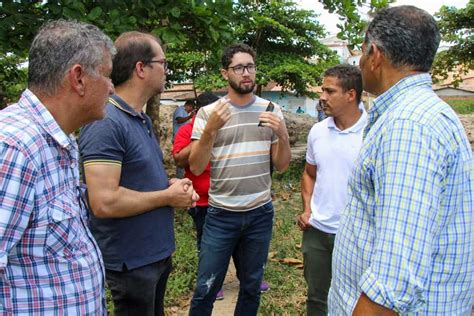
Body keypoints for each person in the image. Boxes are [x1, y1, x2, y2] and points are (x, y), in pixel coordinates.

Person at [329, 6, 473, 315]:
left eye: (362, 54)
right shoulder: (421, 114)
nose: (360, 64)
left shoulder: (408, 126)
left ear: (375, 55)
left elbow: (394, 278)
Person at [79, 31, 198, 316]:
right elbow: (104, 201)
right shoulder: (106, 122)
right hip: (131, 262)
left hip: (154, 255)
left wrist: (170, 184)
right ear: (141, 68)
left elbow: (137, 176)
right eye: (163, 63)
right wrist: (167, 197)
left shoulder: (139, 118)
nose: (167, 71)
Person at [0, 20, 114, 314]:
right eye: (107, 76)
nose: (112, 88)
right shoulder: (16, 147)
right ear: (78, 78)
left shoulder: (60, 140)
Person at [188, 43, 291, 315]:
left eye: (250, 66)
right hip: (221, 215)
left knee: (251, 287)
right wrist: (210, 131)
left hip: (259, 213)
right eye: (239, 68)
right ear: (225, 73)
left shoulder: (271, 109)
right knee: (205, 288)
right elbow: (196, 167)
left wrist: (282, 134)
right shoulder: (209, 114)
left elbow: (281, 166)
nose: (246, 73)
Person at [172, 92, 270, 301]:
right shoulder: (186, 130)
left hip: (231, 197)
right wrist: (205, 132)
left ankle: (247, 278)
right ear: (199, 113)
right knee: (207, 243)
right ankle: (212, 283)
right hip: (203, 200)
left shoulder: (231, 125)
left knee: (240, 242)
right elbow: (179, 160)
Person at [298, 64, 366, 315]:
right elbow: (309, 173)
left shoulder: (373, 132)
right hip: (317, 233)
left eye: (329, 91)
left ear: (350, 94)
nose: (322, 97)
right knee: (317, 298)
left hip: (356, 235)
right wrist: (307, 209)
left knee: (357, 299)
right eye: (322, 90)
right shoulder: (318, 131)